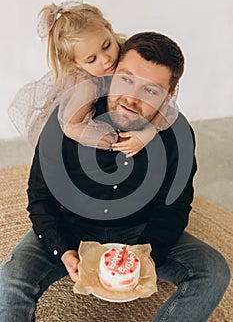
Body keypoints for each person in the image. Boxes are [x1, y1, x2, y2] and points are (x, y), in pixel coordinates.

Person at [0, 32, 230, 322]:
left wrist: (149, 256)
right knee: (12, 277)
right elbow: (40, 196)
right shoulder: (68, 118)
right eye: (126, 78)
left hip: (139, 229)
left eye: (151, 90)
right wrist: (64, 250)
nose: (131, 98)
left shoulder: (177, 134)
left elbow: (174, 205)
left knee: (213, 269)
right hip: (70, 225)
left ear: (169, 96)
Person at [8, 0, 176, 157]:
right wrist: (113, 141)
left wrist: (148, 132)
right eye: (92, 59)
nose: (106, 60)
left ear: (109, 29)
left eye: (106, 45)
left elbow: (163, 96)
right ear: (75, 64)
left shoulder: (126, 53)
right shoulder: (86, 87)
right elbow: (71, 127)